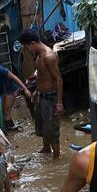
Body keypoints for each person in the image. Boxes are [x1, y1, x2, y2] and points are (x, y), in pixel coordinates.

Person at [18, 28, 62, 157]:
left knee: (52, 130)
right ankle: (46, 149)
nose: (27, 50)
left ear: (32, 43)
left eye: (26, 47)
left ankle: (56, 160)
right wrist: (36, 91)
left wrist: (59, 103)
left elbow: (58, 79)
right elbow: (42, 77)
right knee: (42, 125)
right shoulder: (38, 56)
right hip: (42, 96)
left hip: (50, 97)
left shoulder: (49, 56)